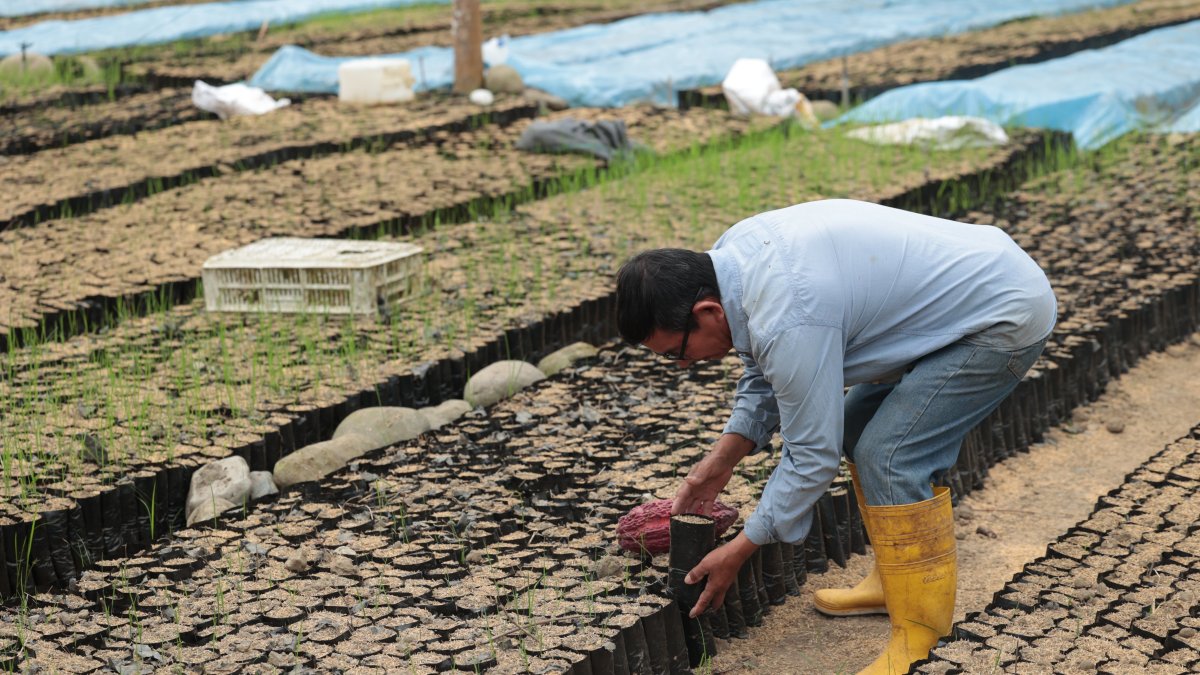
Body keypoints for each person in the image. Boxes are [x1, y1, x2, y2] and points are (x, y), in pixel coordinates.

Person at [615, 199, 1056, 674]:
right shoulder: (732, 260)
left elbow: (811, 459)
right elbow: (761, 368)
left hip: (1000, 315)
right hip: (963, 293)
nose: (681, 364)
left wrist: (742, 547)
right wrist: (717, 465)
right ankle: (894, 580)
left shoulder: (789, 315)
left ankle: (920, 634)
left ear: (707, 311)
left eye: (674, 352)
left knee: (889, 457)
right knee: (856, 430)